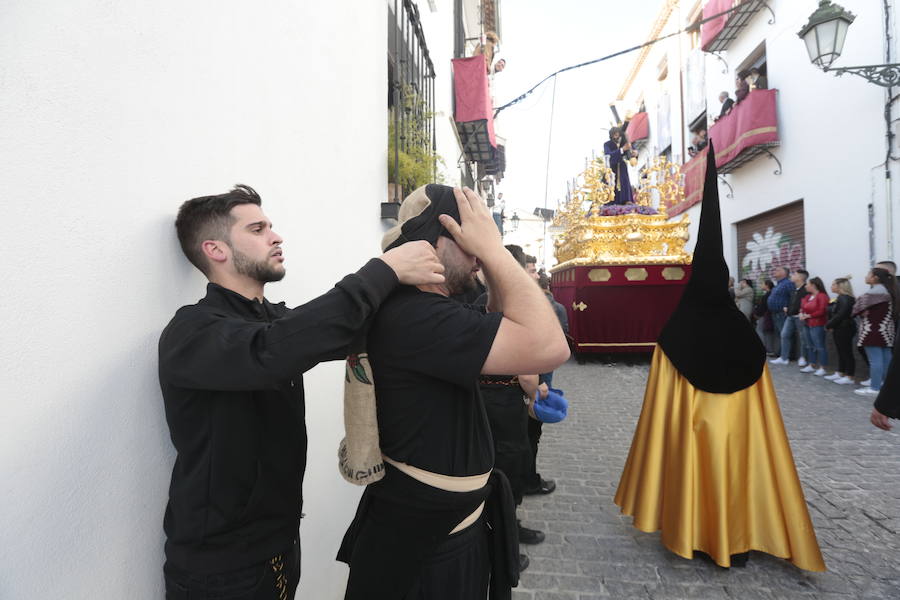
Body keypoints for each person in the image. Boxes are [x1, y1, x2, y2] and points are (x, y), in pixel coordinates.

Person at [158, 185, 444, 599]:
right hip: (220, 571)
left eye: (271, 226)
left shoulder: (273, 321)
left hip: (279, 548)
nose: (276, 236)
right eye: (257, 229)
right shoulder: (191, 332)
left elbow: (330, 331)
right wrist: (383, 270)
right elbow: (271, 351)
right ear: (215, 249)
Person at [337, 185, 569, 599]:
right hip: (427, 546)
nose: (477, 254)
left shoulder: (429, 309)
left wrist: (486, 252)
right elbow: (550, 346)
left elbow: (501, 316)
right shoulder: (418, 316)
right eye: (468, 240)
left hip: (443, 531)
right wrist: (497, 251)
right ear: (434, 241)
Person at [614, 142, 825, 572]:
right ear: (727, 284)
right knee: (743, 472)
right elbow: (763, 409)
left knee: (696, 471)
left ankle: (694, 533)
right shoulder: (747, 337)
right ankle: (740, 538)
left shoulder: (674, 335)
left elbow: (660, 416)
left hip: (695, 433)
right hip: (740, 437)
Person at [476, 244, 548, 570]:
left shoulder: (476, 303)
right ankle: (500, 546)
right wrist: (534, 394)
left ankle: (504, 534)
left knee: (491, 469)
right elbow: (527, 372)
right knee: (507, 471)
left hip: (482, 399)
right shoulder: (511, 306)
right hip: (505, 402)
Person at [853, 267, 897, 396]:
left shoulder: (874, 293)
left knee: (875, 360)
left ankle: (874, 387)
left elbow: (857, 307)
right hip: (886, 330)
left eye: (868, 274)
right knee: (886, 359)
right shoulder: (890, 291)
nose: (866, 277)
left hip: (872, 329)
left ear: (875, 278)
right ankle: (886, 385)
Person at [771, 269, 809, 366]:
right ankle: (784, 358)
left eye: (794, 274)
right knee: (784, 335)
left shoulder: (806, 289)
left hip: (799, 317)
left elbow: (806, 303)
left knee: (802, 338)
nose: (792, 275)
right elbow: (791, 300)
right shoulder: (794, 289)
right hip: (790, 316)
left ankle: (803, 357)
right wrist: (788, 308)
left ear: (800, 277)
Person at [825, 277, 857, 384]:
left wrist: (829, 324)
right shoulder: (841, 297)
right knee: (841, 351)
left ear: (840, 286)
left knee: (846, 351)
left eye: (833, 284)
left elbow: (840, 315)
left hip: (845, 328)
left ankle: (850, 376)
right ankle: (841, 372)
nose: (831, 286)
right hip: (840, 327)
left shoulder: (845, 298)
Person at [798, 277, 829, 376]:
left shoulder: (822, 296)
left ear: (814, 285)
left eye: (808, 284)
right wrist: (801, 314)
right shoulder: (808, 296)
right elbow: (802, 307)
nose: (806, 286)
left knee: (819, 346)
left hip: (817, 324)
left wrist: (809, 315)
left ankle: (822, 367)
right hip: (807, 323)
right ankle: (812, 364)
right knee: (809, 345)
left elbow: (822, 310)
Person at [604, 127, 635, 206]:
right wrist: (622, 150)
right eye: (614, 134)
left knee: (624, 182)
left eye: (618, 134)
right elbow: (609, 156)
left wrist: (634, 153)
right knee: (612, 185)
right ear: (611, 135)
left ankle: (626, 199)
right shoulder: (607, 144)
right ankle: (612, 202)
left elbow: (630, 153)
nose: (616, 136)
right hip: (612, 169)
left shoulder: (624, 142)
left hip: (622, 167)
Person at [767, 266, 792, 355]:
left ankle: (786, 355)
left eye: (778, 270)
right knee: (778, 335)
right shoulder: (778, 284)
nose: (775, 271)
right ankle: (780, 353)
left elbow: (792, 296)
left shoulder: (788, 283)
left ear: (784, 273)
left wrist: (788, 307)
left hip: (782, 313)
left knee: (784, 334)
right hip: (775, 313)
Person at [755, 279, 777, 356]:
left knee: (760, 331)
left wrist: (757, 314)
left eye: (762, 284)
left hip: (764, 316)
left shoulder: (768, 295)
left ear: (767, 285)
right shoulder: (769, 294)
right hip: (766, 316)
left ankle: (765, 348)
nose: (761, 285)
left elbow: (763, 307)